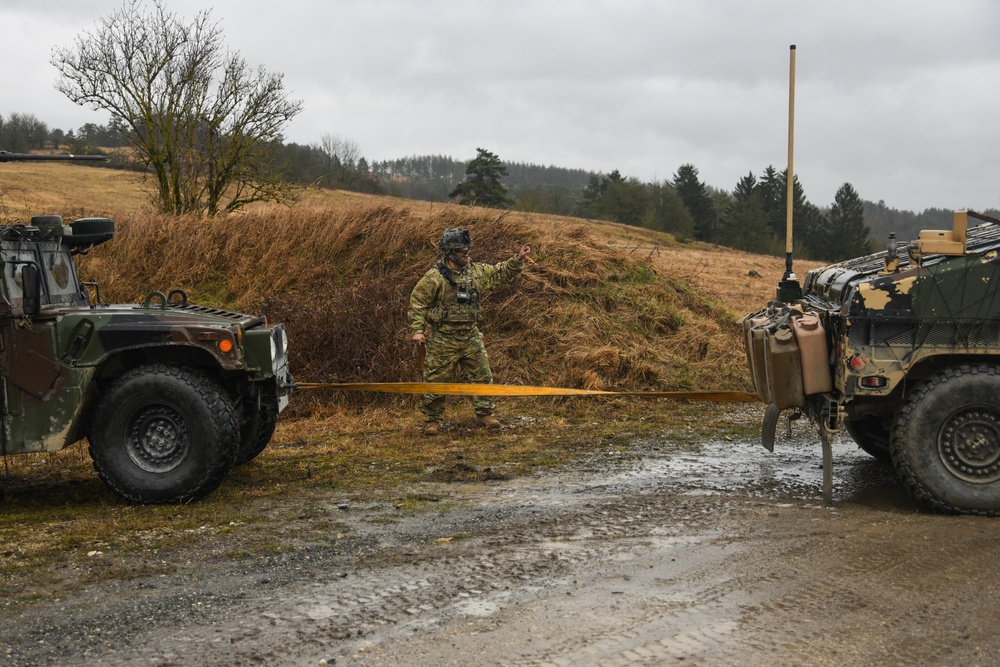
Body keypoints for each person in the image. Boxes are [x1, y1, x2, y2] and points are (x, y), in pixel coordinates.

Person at [408, 228, 532, 435]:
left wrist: (518, 259)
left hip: (470, 336)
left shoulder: (475, 271)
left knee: (482, 377)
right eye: (462, 250)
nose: (467, 253)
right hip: (443, 338)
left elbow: (499, 274)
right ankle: (433, 420)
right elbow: (417, 303)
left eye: (468, 249)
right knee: (436, 380)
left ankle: (485, 414)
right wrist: (417, 331)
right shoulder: (434, 278)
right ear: (450, 253)